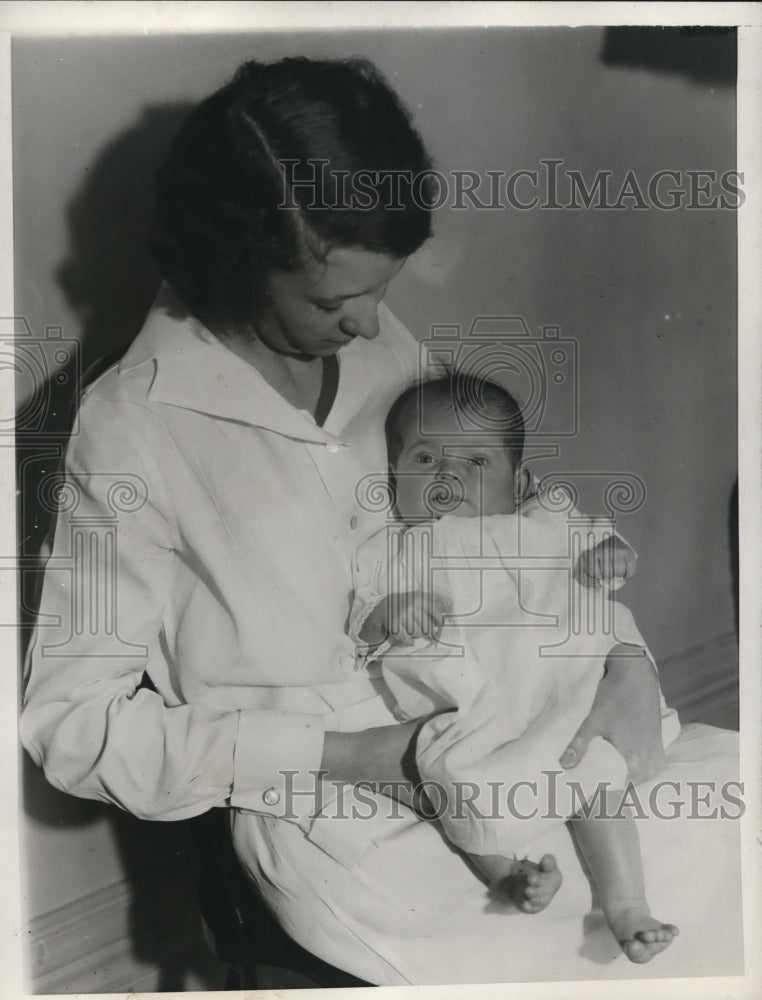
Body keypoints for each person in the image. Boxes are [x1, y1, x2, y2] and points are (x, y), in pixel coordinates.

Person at [19, 56, 739, 986]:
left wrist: (626, 662)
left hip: (516, 713)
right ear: (236, 260)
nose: (367, 326)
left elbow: (508, 530)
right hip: (352, 824)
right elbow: (72, 729)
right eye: (332, 300)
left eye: (381, 289)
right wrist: (360, 755)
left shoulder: (378, 345)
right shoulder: (131, 431)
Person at [349, 372, 680, 962]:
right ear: (394, 474)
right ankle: (508, 875)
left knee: (597, 778)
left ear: (520, 480)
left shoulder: (545, 518)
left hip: (562, 689)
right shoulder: (397, 547)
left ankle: (628, 904)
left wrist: (612, 555)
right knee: (453, 776)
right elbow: (363, 625)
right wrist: (392, 613)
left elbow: (600, 544)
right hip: (476, 706)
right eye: (426, 457)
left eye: (476, 460)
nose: (448, 476)